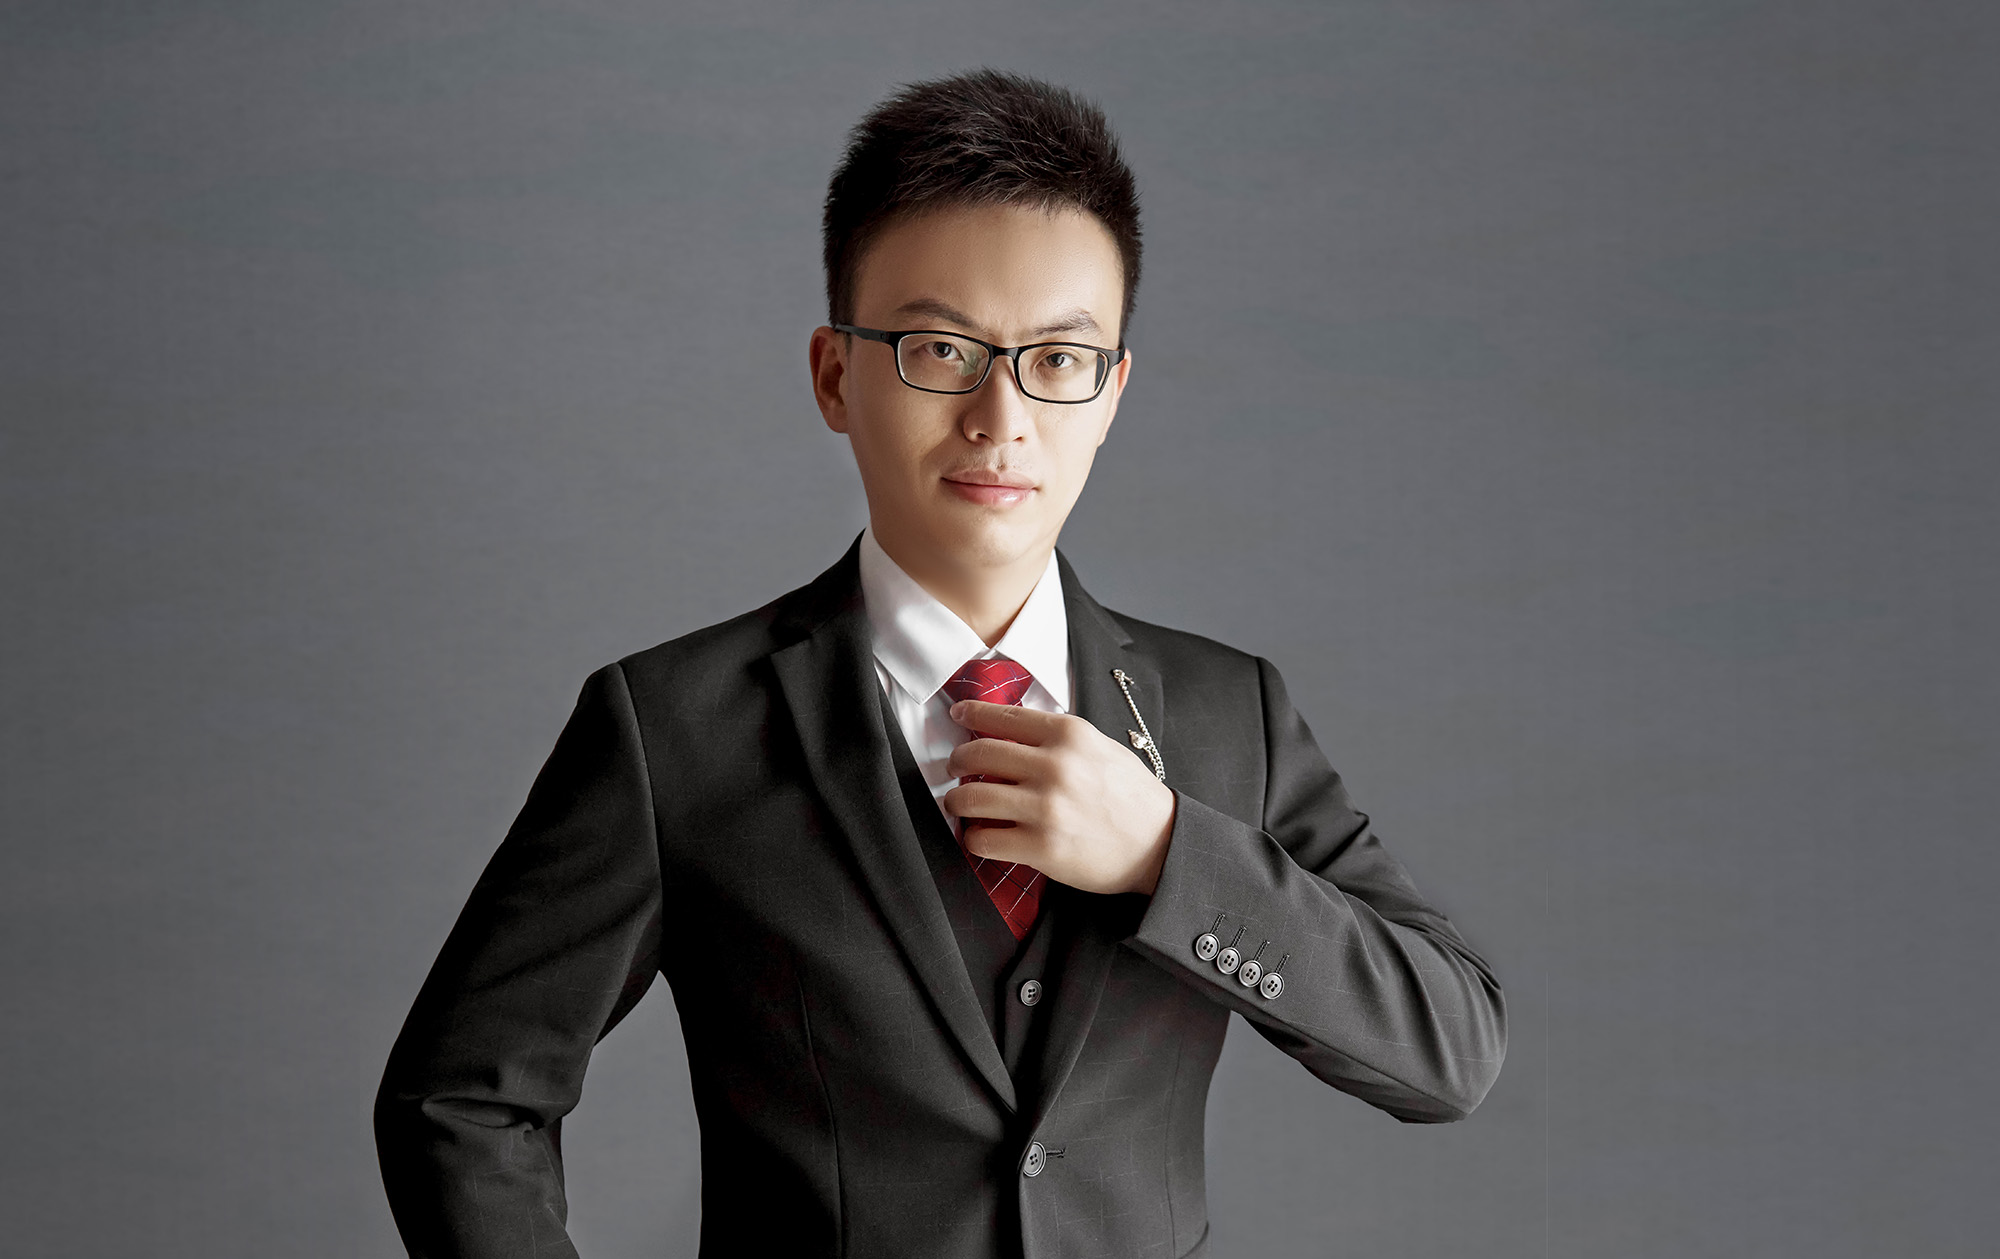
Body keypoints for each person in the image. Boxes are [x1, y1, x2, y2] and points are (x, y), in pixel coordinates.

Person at [374, 68, 1507, 1259]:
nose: (999, 417)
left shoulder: (1231, 712)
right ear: (834, 375)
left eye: (1057, 359)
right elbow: (459, 1099)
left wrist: (1165, 854)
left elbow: (1450, 1050)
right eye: (940, 348)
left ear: (1111, 392)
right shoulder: (673, 728)